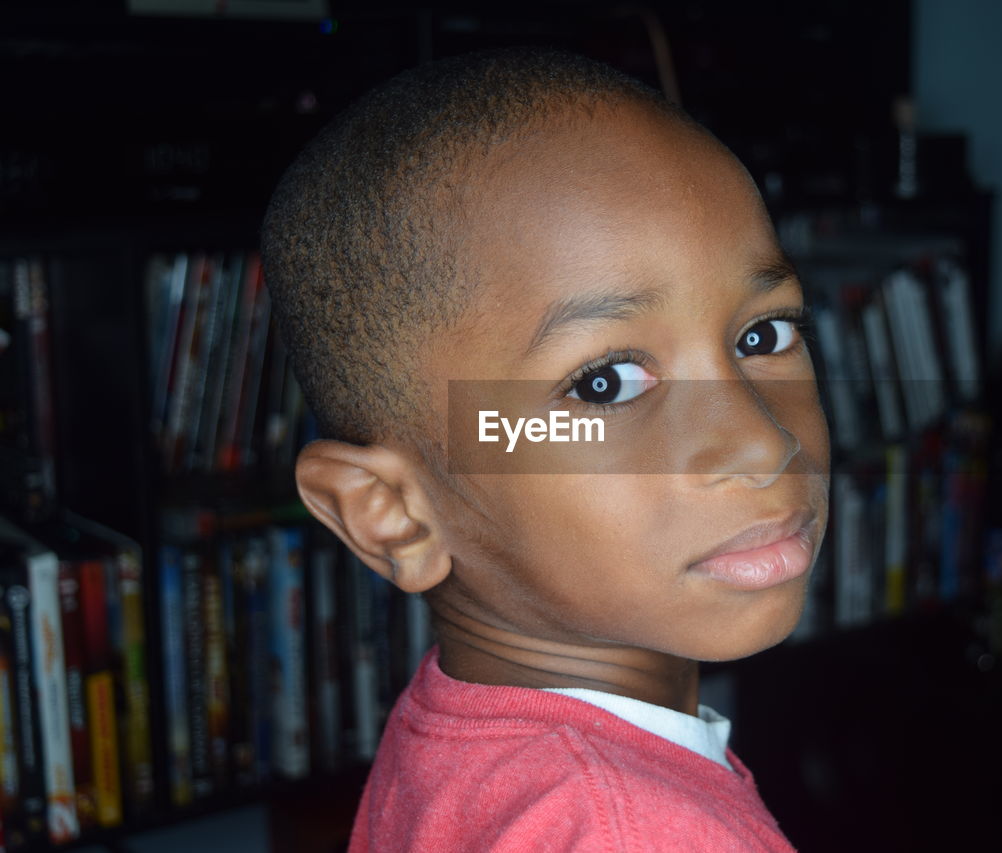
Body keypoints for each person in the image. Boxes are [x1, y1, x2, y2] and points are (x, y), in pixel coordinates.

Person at [261, 46, 830, 852]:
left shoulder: (468, 741)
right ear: (392, 514)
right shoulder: (638, 830)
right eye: (604, 383)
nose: (760, 442)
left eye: (762, 333)